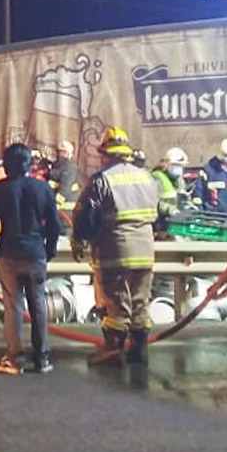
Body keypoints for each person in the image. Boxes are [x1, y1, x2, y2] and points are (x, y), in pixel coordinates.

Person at [70, 126, 158, 366]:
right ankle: (139, 353)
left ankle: (112, 353)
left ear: (106, 153)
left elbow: (87, 215)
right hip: (146, 251)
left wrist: (79, 240)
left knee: (115, 302)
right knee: (140, 302)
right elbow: (158, 216)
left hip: (115, 250)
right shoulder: (147, 177)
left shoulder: (102, 179)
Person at [0, 143, 62, 375]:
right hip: (36, 253)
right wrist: (50, 249)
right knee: (38, 304)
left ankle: (15, 358)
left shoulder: (0, 189)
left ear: (7, 165)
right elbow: (54, 226)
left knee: (13, 306)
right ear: (30, 164)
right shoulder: (43, 188)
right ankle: (42, 358)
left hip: (9, 253)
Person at [193, 138, 227, 214]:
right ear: (224, 158)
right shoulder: (208, 171)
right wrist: (199, 214)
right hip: (211, 218)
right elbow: (197, 195)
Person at [152, 147, 191, 234]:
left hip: (176, 224)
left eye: (181, 166)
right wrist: (170, 210)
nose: (179, 169)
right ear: (167, 164)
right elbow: (153, 202)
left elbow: (183, 197)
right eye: (177, 165)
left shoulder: (179, 180)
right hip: (161, 226)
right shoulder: (157, 177)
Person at [47, 140, 81, 212]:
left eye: (62, 152)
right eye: (58, 151)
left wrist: (57, 203)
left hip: (65, 207)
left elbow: (65, 188)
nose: (59, 154)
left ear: (68, 154)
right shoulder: (57, 166)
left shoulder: (70, 168)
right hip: (55, 205)